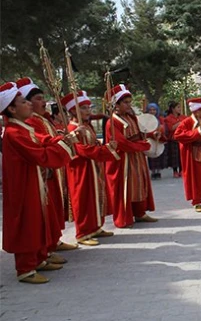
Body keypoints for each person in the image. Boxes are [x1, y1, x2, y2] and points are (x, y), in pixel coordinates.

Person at [1, 82, 78, 283]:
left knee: (37, 219)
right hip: (24, 186)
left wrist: (61, 139)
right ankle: (25, 269)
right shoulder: (13, 132)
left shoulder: (22, 127)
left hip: (34, 182)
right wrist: (64, 147)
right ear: (11, 109)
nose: (28, 105)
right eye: (24, 102)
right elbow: (39, 154)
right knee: (27, 222)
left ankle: (38, 259)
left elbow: (42, 140)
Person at [19, 77, 77, 253]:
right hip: (44, 170)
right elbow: (40, 142)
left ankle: (54, 240)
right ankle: (48, 245)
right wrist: (59, 141)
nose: (43, 102)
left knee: (54, 207)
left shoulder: (42, 119)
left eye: (43, 98)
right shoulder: (31, 122)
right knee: (46, 210)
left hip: (53, 168)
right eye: (38, 99)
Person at [64, 91, 119, 246]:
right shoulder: (71, 129)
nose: (88, 110)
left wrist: (104, 147)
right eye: (84, 108)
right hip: (80, 170)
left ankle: (95, 227)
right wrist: (106, 151)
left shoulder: (85, 126)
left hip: (93, 167)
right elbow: (82, 150)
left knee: (96, 196)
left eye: (89, 107)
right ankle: (82, 232)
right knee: (83, 198)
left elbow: (92, 145)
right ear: (73, 111)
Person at [105, 84, 159, 228]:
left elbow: (141, 131)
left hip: (136, 157)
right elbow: (121, 143)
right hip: (123, 160)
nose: (129, 105)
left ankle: (139, 213)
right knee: (125, 187)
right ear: (115, 105)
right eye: (125, 102)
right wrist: (142, 146)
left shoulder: (132, 117)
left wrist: (152, 135)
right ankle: (124, 218)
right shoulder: (112, 121)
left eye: (130, 102)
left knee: (139, 185)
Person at [164, 101, 186, 178]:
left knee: (182, 156)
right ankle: (175, 171)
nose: (180, 109)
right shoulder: (168, 118)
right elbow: (171, 128)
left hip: (182, 139)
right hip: (173, 139)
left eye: (180, 107)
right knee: (174, 157)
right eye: (178, 107)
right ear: (173, 109)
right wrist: (180, 123)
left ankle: (181, 170)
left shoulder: (183, 117)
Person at [146, 103, 167, 179]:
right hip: (151, 139)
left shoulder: (160, 119)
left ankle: (158, 171)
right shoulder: (146, 120)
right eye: (150, 110)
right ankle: (153, 171)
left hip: (159, 138)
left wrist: (160, 132)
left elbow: (163, 127)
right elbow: (145, 129)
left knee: (158, 155)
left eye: (154, 110)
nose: (152, 111)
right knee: (151, 156)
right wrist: (152, 133)